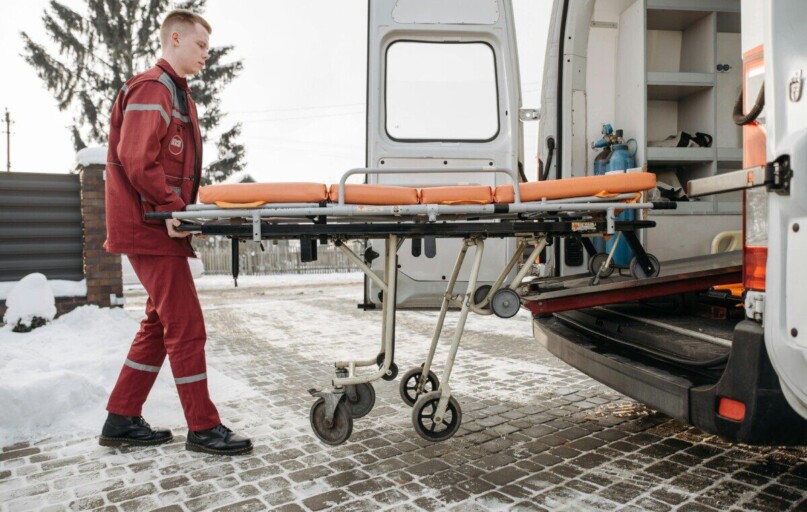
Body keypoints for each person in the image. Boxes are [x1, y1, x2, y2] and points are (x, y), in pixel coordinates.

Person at [99, 9, 252, 455]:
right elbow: (136, 158)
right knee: (186, 326)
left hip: (157, 227)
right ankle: (203, 427)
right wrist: (170, 209)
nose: (207, 54)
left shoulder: (175, 93)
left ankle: (121, 417)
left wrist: (183, 215)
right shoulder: (154, 87)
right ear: (176, 39)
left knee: (158, 323)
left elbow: (164, 165)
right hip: (147, 228)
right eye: (201, 45)